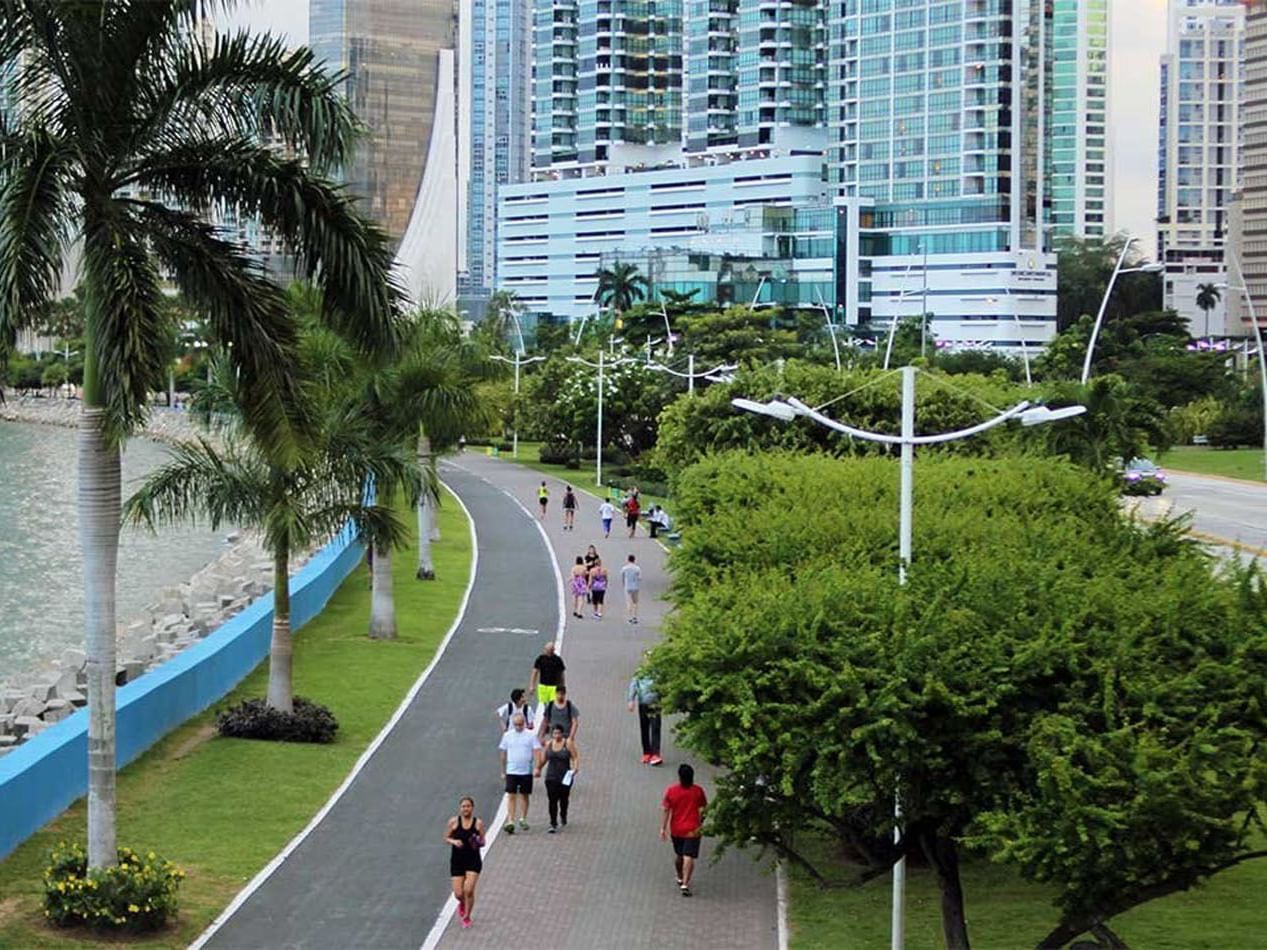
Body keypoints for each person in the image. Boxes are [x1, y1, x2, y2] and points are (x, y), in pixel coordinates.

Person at [660, 764, 708, 897]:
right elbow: (705, 808)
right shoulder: (698, 791)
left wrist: (663, 828)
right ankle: (685, 883)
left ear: (680, 777)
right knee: (689, 856)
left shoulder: (672, 791)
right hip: (693, 828)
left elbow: (666, 809)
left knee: (680, 855)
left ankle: (680, 877)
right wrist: (701, 820)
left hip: (676, 829)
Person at [498, 713, 543, 833]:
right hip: (512, 770)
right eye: (516, 724)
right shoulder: (507, 736)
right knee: (511, 795)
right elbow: (503, 753)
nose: (518, 727)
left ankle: (523, 817)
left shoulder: (531, 736)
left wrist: (537, 767)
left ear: (524, 723)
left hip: (526, 770)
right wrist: (503, 770)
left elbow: (537, 751)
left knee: (524, 794)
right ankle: (511, 820)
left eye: (520, 724)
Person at [445, 796, 485, 928]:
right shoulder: (454, 822)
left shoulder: (478, 823)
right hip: (457, 861)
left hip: (473, 860)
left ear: (472, 808)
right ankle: (462, 903)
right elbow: (446, 837)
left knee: (468, 890)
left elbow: (483, 841)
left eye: (468, 806)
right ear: (460, 808)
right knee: (459, 893)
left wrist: (477, 842)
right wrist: (454, 841)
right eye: (463, 806)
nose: (466, 809)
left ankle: (467, 916)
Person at [535, 724, 580, 833]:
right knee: (552, 800)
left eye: (558, 733)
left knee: (564, 798)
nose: (557, 735)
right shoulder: (549, 744)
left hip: (565, 776)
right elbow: (544, 759)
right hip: (551, 776)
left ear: (562, 733)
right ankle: (553, 822)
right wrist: (538, 768)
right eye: (554, 733)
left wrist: (575, 768)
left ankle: (563, 814)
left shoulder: (567, 743)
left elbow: (575, 757)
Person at [627, 668, 662, 765]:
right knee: (644, 728)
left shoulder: (659, 672)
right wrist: (631, 700)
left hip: (655, 703)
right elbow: (633, 685)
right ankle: (647, 752)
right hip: (643, 703)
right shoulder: (639, 672)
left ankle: (655, 754)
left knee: (655, 728)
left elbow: (664, 686)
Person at [529, 641, 566, 709]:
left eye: (547, 649)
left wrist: (562, 686)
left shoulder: (557, 660)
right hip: (543, 686)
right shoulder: (540, 659)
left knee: (552, 704)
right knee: (544, 704)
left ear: (552, 650)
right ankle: (547, 715)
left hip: (553, 686)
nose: (545, 651)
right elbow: (535, 672)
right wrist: (532, 685)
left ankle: (549, 715)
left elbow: (561, 674)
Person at [621, 553, 642, 624]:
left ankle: (630, 617)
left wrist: (624, 584)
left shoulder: (625, 568)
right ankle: (635, 616)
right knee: (635, 602)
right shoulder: (637, 568)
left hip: (628, 586)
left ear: (628, 560)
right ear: (634, 560)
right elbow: (639, 578)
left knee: (629, 602)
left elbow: (623, 577)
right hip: (635, 587)